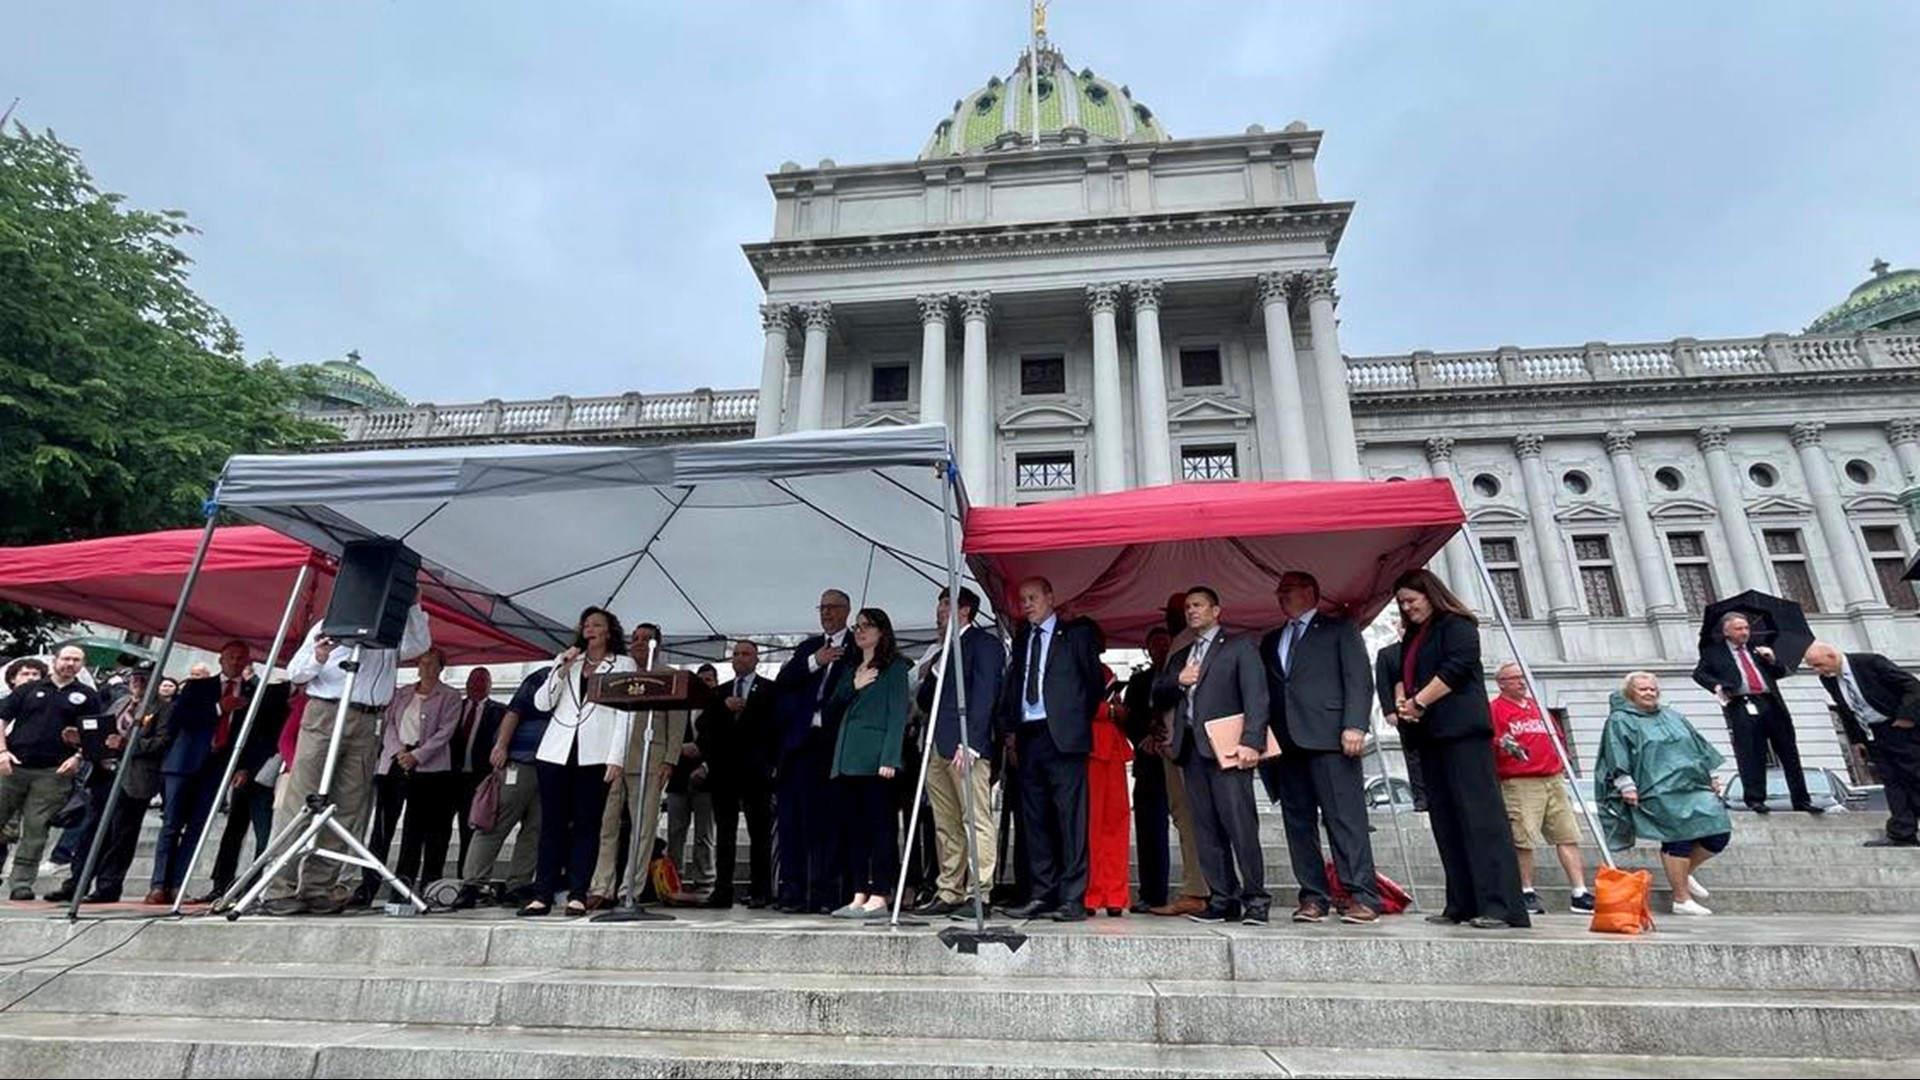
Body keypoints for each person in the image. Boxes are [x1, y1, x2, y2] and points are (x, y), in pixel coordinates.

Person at [261, 602, 431, 916]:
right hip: (327, 711)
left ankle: (319, 887)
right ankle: (279, 887)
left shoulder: (392, 630)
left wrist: (412, 607)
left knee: (348, 806)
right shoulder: (332, 622)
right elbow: (297, 672)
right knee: (303, 798)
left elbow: (419, 646)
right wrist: (319, 656)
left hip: (369, 719)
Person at [1391, 569, 1529, 929]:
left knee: (1480, 818)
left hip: (1462, 731)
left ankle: (1500, 903)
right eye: (1402, 604)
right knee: (1447, 820)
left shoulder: (1457, 624)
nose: (1407, 608)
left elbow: (1456, 668)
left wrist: (1419, 701)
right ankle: (1462, 901)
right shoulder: (1415, 636)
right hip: (1431, 734)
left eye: (1412, 601)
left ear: (1430, 595)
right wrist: (1406, 701)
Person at [1262, 570, 1381, 925]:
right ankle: (1313, 896)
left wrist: (1355, 724)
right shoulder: (1271, 640)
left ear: (1310, 592)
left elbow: (1358, 678)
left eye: (1288, 590)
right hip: (1287, 743)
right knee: (1298, 823)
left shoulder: (1339, 629)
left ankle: (1362, 894)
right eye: (1280, 591)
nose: (1281, 596)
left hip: (1331, 738)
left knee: (1344, 819)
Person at [1152, 586, 1272, 925]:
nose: (1192, 611)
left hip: (1230, 750)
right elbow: (1157, 694)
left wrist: (1253, 741)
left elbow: (1256, 697)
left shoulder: (1238, 647)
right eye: (1188, 606)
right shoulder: (1181, 656)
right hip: (1191, 751)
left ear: (1216, 610)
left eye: (1199, 605)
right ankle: (1223, 899)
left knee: (1240, 825)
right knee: (1205, 829)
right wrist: (1178, 679)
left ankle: (1256, 900)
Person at [998, 577, 1103, 922]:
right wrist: (1011, 730)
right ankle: (1041, 892)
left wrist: (1072, 719)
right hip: (1030, 736)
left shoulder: (1074, 635)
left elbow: (1091, 685)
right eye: (1022, 598)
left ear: (1050, 598)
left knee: (1070, 818)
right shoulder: (1023, 637)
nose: (1027, 604)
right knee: (1035, 819)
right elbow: (1013, 685)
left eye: (1032, 597)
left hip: (1064, 736)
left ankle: (1073, 897)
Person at [522, 606, 635, 917]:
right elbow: (542, 703)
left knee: (587, 825)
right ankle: (541, 893)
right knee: (551, 825)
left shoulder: (623, 663)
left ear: (609, 631)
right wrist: (561, 666)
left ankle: (577, 893)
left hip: (595, 753)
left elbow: (626, 716)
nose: (590, 629)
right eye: (586, 624)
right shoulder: (569, 661)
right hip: (556, 751)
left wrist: (617, 757)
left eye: (596, 624)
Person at [1596, 672, 1731, 916]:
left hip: (1692, 784)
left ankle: (1684, 872)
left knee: (1718, 834)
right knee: (1678, 837)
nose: (1649, 693)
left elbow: (1696, 745)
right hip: (1657, 788)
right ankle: (1681, 897)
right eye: (1642, 689)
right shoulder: (1620, 720)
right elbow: (1616, 751)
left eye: (1652, 688)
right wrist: (1626, 784)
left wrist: (1710, 774)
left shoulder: (1673, 716)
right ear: (1630, 693)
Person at [911, 586, 1004, 921]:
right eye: (939, 604)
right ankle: (949, 889)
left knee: (974, 817)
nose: (939, 611)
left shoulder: (984, 644)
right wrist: (935, 671)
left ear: (965, 610)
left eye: (946, 604)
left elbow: (986, 693)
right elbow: (924, 702)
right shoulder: (942, 650)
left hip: (966, 745)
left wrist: (974, 741)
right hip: (938, 744)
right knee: (946, 821)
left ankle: (980, 891)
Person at [150, 639, 255, 905]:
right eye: (231, 657)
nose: (236, 662)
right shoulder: (198, 686)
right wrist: (220, 709)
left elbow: (256, 733)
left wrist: (244, 765)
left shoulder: (253, 692)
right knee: (171, 824)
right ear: (220, 659)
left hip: (218, 766)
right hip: (184, 762)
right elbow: (180, 719)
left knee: (198, 826)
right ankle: (158, 884)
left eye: (241, 658)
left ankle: (178, 884)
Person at [589, 622, 686, 907]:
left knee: (643, 829)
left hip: (651, 760)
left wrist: (670, 759)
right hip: (615, 760)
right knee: (607, 825)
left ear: (658, 644)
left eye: (647, 639)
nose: (640, 643)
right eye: (636, 638)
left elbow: (676, 723)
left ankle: (629, 889)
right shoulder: (621, 673)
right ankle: (601, 887)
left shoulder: (669, 676)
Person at [773, 589, 855, 914]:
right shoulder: (808, 647)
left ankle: (826, 892)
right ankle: (793, 891)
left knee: (828, 823)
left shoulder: (854, 645)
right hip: (801, 743)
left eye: (833, 607)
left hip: (834, 744)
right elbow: (785, 681)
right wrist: (814, 661)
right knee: (793, 821)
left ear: (846, 611)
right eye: (822, 607)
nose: (826, 613)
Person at [826, 607, 911, 919]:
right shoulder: (851, 667)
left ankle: (880, 893)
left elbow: (897, 714)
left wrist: (890, 757)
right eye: (857, 626)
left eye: (867, 626)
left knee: (880, 829)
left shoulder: (895, 668)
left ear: (881, 631)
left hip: (876, 760)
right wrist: (854, 685)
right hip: (847, 758)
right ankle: (859, 892)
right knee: (854, 830)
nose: (859, 631)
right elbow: (832, 707)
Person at [361, 647, 463, 902]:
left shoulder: (449, 696)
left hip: (429, 767)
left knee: (415, 831)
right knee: (383, 829)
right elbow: (389, 724)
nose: (426, 668)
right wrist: (398, 752)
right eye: (422, 663)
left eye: (432, 664)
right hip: (394, 763)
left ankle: (403, 888)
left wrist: (417, 755)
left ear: (441, 667)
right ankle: (368, 886)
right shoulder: (402, 693)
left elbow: (445, 731)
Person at [1489, 663, 1593, 915]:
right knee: (1523, 837)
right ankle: (1525, 891)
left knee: (1567, 835)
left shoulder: (1537, 708)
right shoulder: (1495, 709)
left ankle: (1579, 891)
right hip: (1521, 780)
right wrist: (1504, 745)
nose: (1522, 682)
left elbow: (1556, 737)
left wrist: (1563, 763)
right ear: (1501, 683)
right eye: (1515, 678)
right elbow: (1490, 739)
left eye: (1524, 677)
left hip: (1552, 777)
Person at [1691, 612, 1817, 814]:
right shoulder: (1714, 652)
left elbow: (1779, 673)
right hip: (1742, 703)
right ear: (1726, 631)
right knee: (1751, 752)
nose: (1744, 632)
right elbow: (1699, 674)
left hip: (1770, 702)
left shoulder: (1758, 649)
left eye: (1746, 628)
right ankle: (1755, 799)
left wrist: (1773, 659)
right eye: (1739, 629)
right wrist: (1717, 686)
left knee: (1789, 752)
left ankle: (1802, 799)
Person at [0, 646, 99, 901]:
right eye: (66, 658)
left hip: (53, 772)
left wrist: (78, 757)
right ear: (55, 661)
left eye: (76, 660)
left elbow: (94, 734)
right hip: (14, 766)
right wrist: (2, 752)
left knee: (36, 829)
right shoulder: (28, 689)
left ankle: (21, 882)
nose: (70, 664)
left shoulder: (87, 696)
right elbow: (1, 719)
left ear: (82, 664)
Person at [1805, 643, 1920, 848]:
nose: (1817, 671)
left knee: (1913, 776)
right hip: (1873, 734)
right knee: (1892, 782)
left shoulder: (1870, 663)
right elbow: (1845, 709)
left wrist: (1905, 717)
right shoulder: (1829, 679)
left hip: (1900, 727)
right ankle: (1902, 832)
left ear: (1832, 656)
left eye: (1818, 665)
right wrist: (1856, 740)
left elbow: (1912, 686)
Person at [456, 666, 551, 907]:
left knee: (535, 830)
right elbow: (514, 711)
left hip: (552, 766)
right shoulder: (541, 676)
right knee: (494, 822)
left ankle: (518, 885)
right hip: (520, 760)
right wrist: (501, 746)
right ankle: (473, 884)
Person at [78, 670, 172, 902]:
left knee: (121, 833)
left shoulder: (163, 708)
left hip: (134, 776)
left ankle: (108, 886)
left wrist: (129, 743)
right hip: (104, 772)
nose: (137, 684)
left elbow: (163, 741)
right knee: (91, 829)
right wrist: (83, 739)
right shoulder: (121, 702)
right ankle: (77, 881)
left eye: (144, 680)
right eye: (134, 679)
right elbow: (103, 730)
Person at [699, 639, 779, 908]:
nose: (741, 658)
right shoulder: (718, 693)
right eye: (736, 654)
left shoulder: (769, 690)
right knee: (725, 831)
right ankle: (722, 890)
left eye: (746, 654)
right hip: (725, 772)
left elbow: (775, 728)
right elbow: (704, 728)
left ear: (756, 659)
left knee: (759, 832)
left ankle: (760, 890)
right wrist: (724, 709)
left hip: (756, 771)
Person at [1085, 642, 1132, 917]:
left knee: (1114, 822)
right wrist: (1109, 711)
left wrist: (1113, 711)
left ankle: (1114, 894)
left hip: (1108, 749)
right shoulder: (1083, 669)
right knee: (1091, 827)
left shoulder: (1105, 671)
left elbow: (1120, 710)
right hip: (1086, 750)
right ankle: (1093, 894)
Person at [666, 664, 718, 891]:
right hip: (678, 776)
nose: (705, 683)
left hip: (708, 776)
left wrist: (705, 756)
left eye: (709, 679)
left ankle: (704, 877)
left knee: (704, 832)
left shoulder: (719, 706)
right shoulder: (680, 705)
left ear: (715, 682)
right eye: (701, 679)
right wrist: (678, 749)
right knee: (676, 830)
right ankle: (673, 874)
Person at [449, 667, 504, 875]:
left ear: (490, 686)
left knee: (470, 831)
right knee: (438, 830)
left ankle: (466, 877)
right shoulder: (454, 708)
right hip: (450, 777)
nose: (478, 685)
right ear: (466, 684)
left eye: (483, 681)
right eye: (474, 680)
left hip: (479, 780)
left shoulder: (500, 712)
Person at [1372, 617, 1426, 811]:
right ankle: (1421, 797)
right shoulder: (1388, 654)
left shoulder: (1425, 648)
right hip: (1404, 712)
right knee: (1413, 755)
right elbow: (1383, 683)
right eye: (1403, 628)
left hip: (1427, 709)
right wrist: (1389, 711)